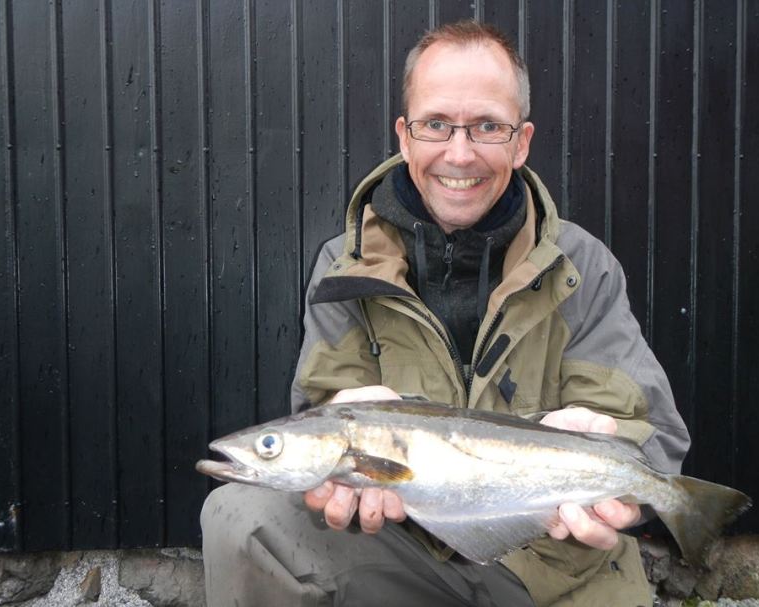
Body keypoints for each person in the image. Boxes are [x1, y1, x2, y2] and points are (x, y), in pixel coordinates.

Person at [201, 20, 690, 606]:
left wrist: (616, 462)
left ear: (521, 141)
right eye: (436, 124)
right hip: (402, 551)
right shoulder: (344, 267)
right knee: (240, 514)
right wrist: (337, 414)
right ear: (405, 137)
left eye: (487, 126)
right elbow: (322, 410)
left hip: (556, 564)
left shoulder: (581, 265)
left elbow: (653, 437)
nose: (460, 154)